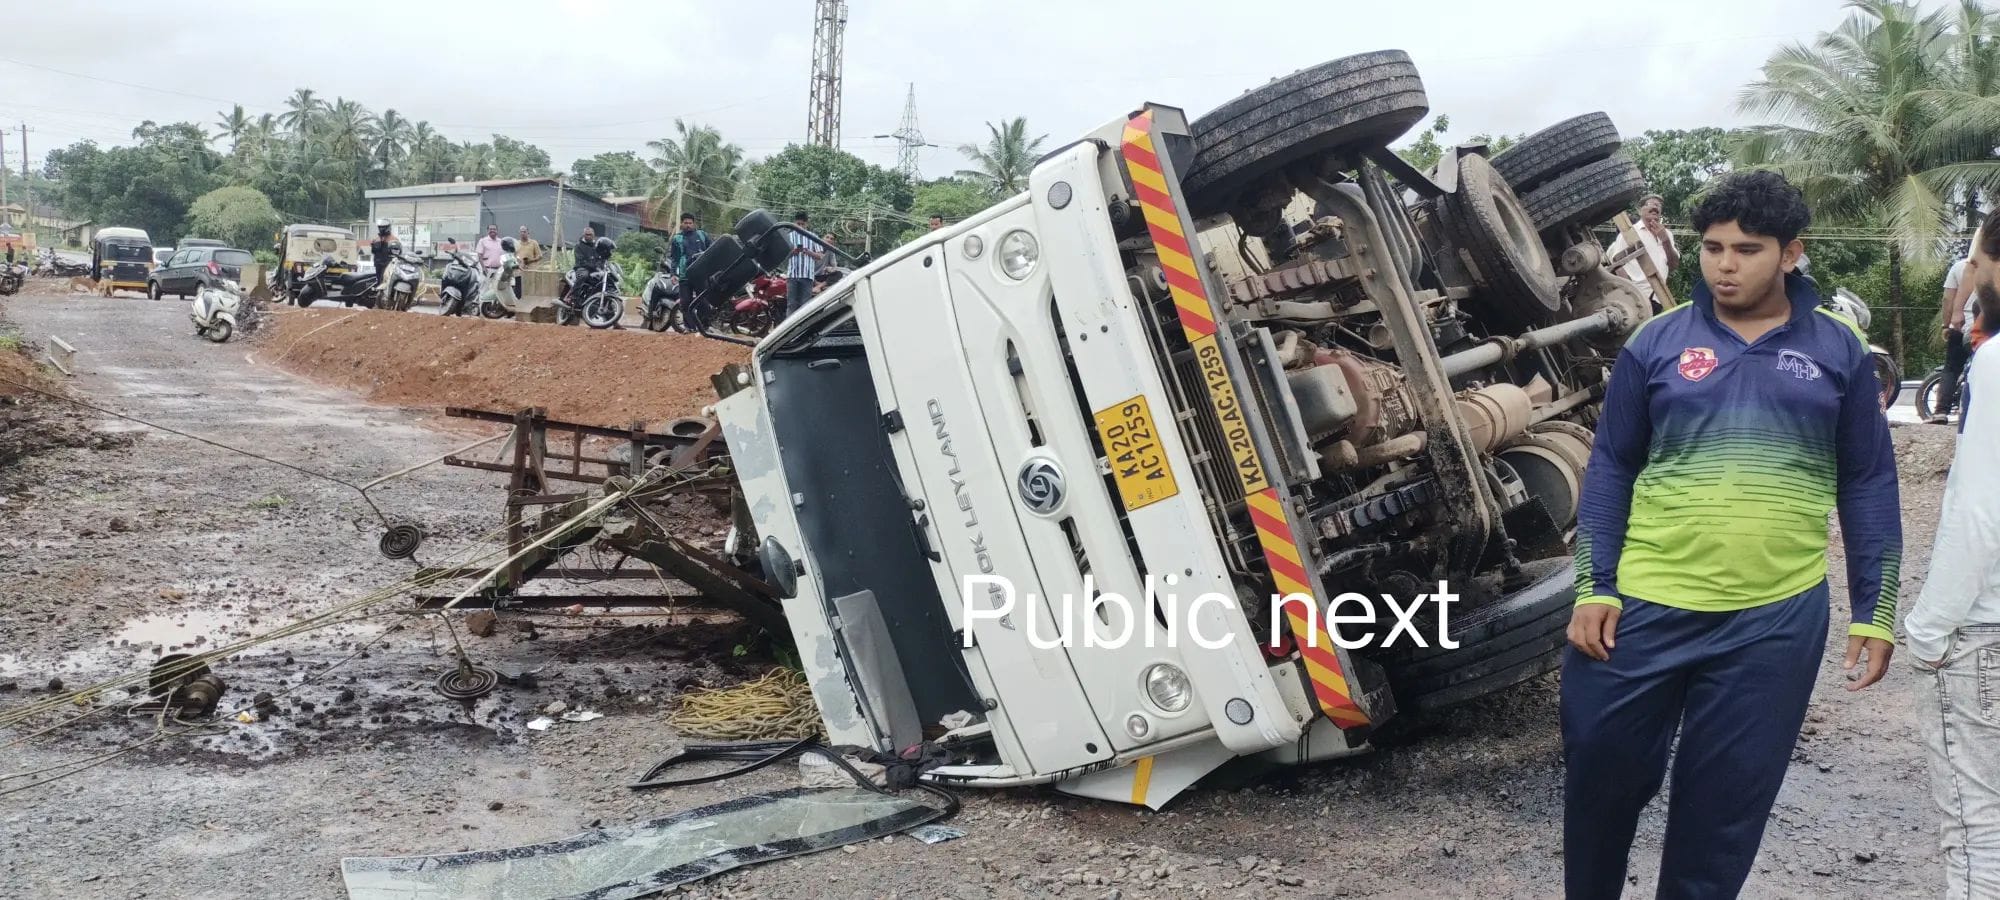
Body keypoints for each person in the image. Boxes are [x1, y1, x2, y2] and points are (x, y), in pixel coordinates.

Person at [1562, 170, 1900, 899]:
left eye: (1747, 250)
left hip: (1772, 620)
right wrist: (1595, 586)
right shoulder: (1657, 341)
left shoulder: (1839, 349)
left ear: (1790, 253)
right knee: (1600, 783)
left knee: (1721, 818)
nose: (1725, 265)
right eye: (1713, 247)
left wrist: (1875, 610)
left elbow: (1868, 480)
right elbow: (1612, 466)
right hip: (1642, 608)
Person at [1908, 210, 2000, 899]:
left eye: (1977, 262)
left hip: (1985, 629)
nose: (1973, 276)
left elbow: (1979, 508)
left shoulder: (1995, 361)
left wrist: (1928, 629)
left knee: (1979, 837)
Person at [1604, 194, 1681, 308]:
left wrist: (1666, 241)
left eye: (1658, 205)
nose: (1655, 207)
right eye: (1650, 204)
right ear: (1640, 211)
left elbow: (1673, 265)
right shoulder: (1629, 233)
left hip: (1659, 297)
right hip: (1637, 297)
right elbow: (1617, 264)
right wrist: (1631, 291)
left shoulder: (1667, 234)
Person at [1937, 241, 1976, 423]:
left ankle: (1940, 411)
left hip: (1959, 326)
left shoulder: (1958, 267)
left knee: (1951, 368)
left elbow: (1947, 299)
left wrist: (1946, 325)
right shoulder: (1993, 266)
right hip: (1986, 327)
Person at [784, 211, 826, 321]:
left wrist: (809, 252)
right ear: (794, 223)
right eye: (798, 224)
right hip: (792, 276)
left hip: (807, 276)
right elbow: (783, 256)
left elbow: (820, 256)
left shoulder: (813, 237)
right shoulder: (788, 237)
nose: (800, 226)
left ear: (807, 224)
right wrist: (793, 252)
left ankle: (803, 326)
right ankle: (789, 327)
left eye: (803, 224)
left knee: (805, 305)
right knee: (791, 304)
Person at [557, 227, 600, 307]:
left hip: (594, 269)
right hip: (582, 268)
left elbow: (600, 257)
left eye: (590, 235)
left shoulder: (596, 246)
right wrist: (593, 265)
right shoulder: (579, 246)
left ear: (593, 235)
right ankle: (573, 296)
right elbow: (580, 260)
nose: (589, 236)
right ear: (584, 235)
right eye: (587, 234)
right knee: (583, 275)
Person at [669, 213, 711, 277]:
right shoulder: (677, 238)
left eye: (690, 223)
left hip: (703, 272)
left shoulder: (702, 234)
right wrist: (673, 274)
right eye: (685, 223)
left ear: (693, 224)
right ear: (681, 223)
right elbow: (675, 259)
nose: (688, 225)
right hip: (685, 274)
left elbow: (711, 249)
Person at [369, 219, 396, 302]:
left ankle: (387, 298)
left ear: (388, 227)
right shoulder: (376, 239)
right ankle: (378, 299)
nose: (381, 229)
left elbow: (398, 252)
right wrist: (374, 244)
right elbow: (373, 251)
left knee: (386, 281)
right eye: (380, 227)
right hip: (378, 264)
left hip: (389, 264)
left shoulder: (393, 239)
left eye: (383, 227)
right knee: (379, 281)